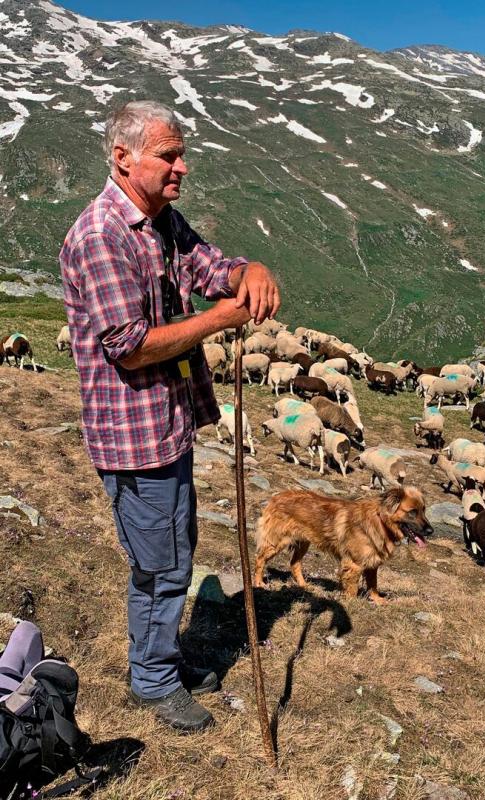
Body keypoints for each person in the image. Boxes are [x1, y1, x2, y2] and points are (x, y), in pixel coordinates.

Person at [59, 101, 280, 733]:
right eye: (169, 155)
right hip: (133, 435)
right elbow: (128, 347)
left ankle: (163, 658)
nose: (182, 166)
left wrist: (249, 270)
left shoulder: (161, 222)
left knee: (177, 549)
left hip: (167, 423)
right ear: (123, 158)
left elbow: (208, 266)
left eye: (182, 154)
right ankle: (153, 679)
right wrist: (217, 320)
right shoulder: (101, 236)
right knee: (160, 563)